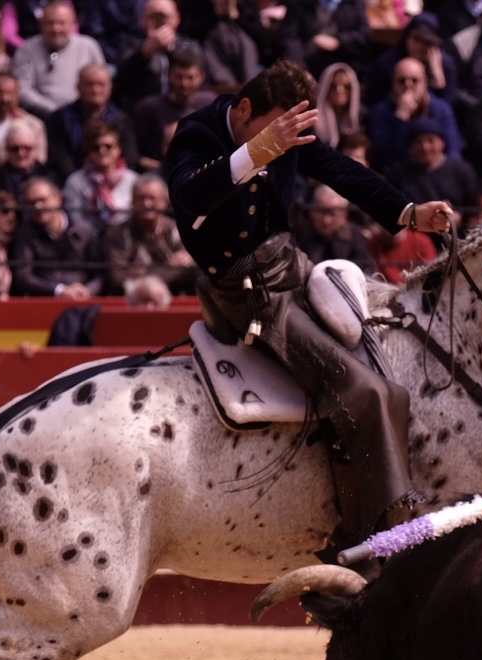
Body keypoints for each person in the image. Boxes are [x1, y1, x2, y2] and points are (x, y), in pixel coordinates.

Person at [164, 59, 454, 545]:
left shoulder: (284, 128)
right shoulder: (196, 134)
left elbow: (340, 170)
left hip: (293, 268)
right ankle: (379, 540)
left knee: (394, 382)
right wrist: (258, 149)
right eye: (275, 132)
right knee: (366, 393)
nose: (285, 143)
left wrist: (408, 212)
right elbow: (190, 196)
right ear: (245, 109)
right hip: (247, 294)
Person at [10, 177, 106, 297]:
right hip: (45, 300)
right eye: (32, 202)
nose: (38, 206)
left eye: (42, 200)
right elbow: (23, 276)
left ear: (58, 199)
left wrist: (88, 290)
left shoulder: (84, 230)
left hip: (84, 299)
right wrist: (60, 291)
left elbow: (101, 273)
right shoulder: (24, 235)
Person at [12, 1, 105, 119]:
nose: (56, 29)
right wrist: (56, 111)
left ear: (72, 24)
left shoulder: (89, 47)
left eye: (61, 23)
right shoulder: (26, 50)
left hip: (83, 116)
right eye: (50, 23)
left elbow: (102, 83)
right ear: (41, 25)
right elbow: (22, 89)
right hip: (39, 116)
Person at [367, 56, 463, 170]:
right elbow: (383, 156)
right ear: (393, 83)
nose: (408, 85)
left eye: (415, 80)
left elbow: (453, 149)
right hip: (399, 173)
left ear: (425, 82)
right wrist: (400, 117)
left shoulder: (441, 108)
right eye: (401, 81)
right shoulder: (381, 111)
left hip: (436, 170)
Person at [47, 63, 137, 182]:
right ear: (78, 87)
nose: (95, 90)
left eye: (101, 85)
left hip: (116, 181)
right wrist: (80, 182)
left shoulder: (122, 120)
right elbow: (60, 157)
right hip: (73, 181)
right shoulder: (61, 118)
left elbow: (130, 156)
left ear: (110, 88)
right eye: (89, 84)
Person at [114, 0, 205, 115]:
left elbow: (197, 72)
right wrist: (146, 52)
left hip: (182, 111)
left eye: (164, 17)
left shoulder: (189, 46)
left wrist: (171, 49)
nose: (159, 22)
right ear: (143, 19)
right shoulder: (130, 44)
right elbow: (120, 79)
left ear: (176, 19)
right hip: (141, 113)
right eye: (153, 16)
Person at [131, 48, 216, 171]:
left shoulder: (210, 104)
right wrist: (163, 169)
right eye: (179, 77)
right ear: (169, 74)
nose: (184, 84)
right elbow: (136, 155)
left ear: (201, 77)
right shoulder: (149, 108)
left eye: (190, 78)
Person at [385, 117, 480, 212]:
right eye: (418, 142)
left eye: (430, 141)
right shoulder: (398, 174)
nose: (425, 147)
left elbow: (475, 207)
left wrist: (459, 214)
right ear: (411, 145)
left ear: (442, 143)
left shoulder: (461, 170)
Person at [62, 120, 140, 227]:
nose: (102, 151)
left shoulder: (134, 181)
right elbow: (75, 218)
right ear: (88, 150)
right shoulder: (75, 182)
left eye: (108, 146)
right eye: (96, 147)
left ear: (118, 149)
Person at [295, 183, 376, 273]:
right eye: (321, 211)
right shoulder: (299, 234)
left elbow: (366, 269)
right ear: (312, 211)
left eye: (332, 213)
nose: (326, 220)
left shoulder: (355, 236)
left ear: (344, 214)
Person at [0, 120, 59, 198]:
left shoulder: (50, 176)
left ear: (36, 149)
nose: (21, 153)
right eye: (15, 149)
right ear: (7, 150)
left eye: (27, 148)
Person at [314, 62, 362, 149]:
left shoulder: (363, 118)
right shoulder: (313, 120)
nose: (339, 90)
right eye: (333, 86)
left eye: (346, 86)